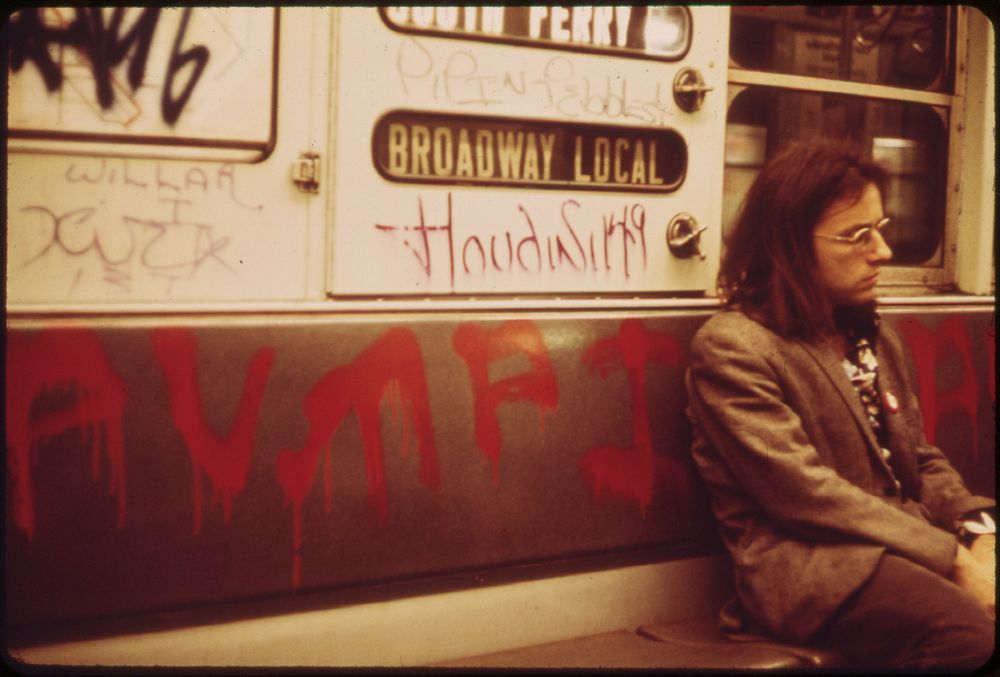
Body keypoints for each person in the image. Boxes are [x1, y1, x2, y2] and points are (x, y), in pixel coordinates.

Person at [685, 141, 995, 670]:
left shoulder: (868, 333)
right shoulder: (736, 347)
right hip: (812, 567)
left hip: (900, 544)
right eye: (857, 236)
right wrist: (952, 559)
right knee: (968, 637)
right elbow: (807, 497)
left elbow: (918, 458)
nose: (883, 251)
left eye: (881, 227)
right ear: (790, 247)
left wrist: (977, 528)